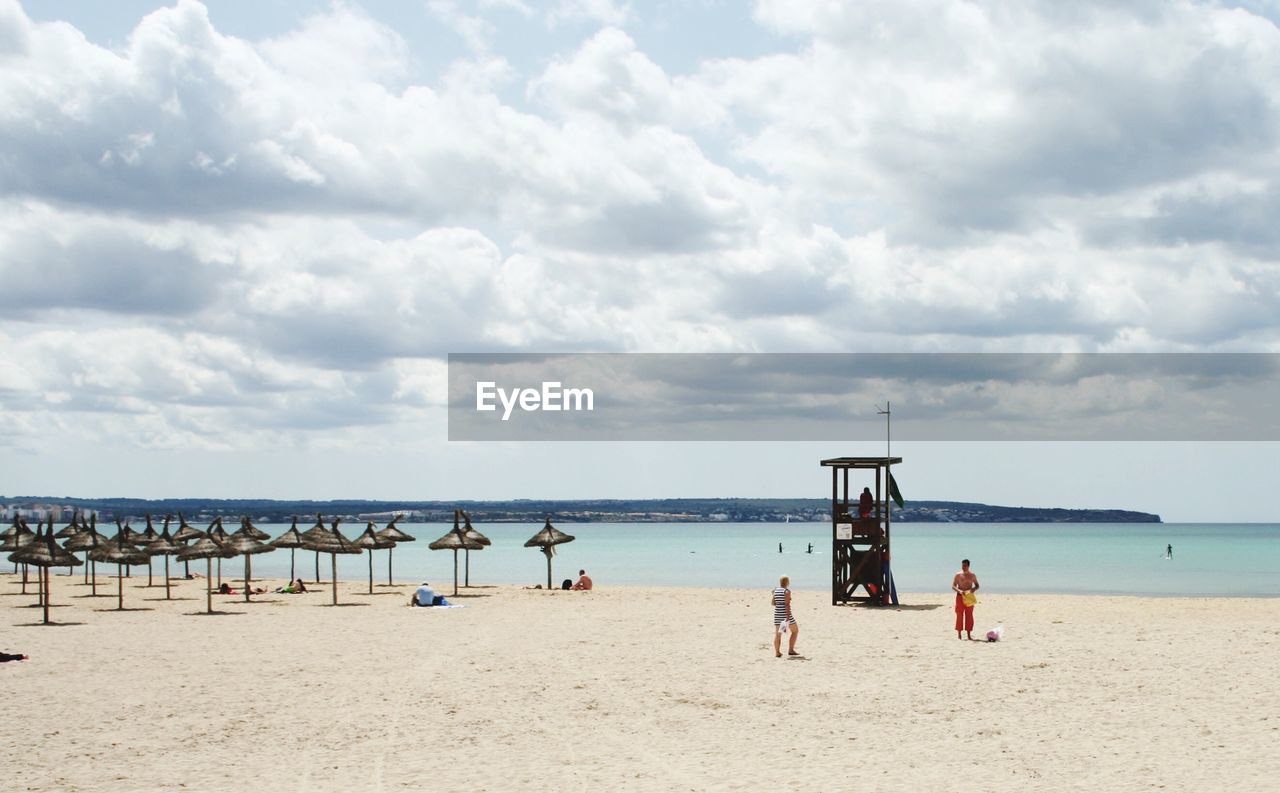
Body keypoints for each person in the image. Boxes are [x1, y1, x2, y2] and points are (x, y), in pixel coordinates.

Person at [952, 559, 980, 640]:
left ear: (968, 566)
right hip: (960, 596)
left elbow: (977, 585)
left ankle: (968, 635)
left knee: (969, 615)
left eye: (965, 565)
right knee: (959, 615)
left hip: (969, 597)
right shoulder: (958, 574)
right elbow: (953, 586)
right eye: (962, 565)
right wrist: (960, 591)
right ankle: (959, 634)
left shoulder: (972, 575)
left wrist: (973, 589)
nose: (963, 567)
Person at [772, 575, 799, 657]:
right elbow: (787, 604)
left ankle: (777, 652)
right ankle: (791, 650)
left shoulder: (775, 590)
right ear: (787, 582)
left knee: (778, 634)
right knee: (795, 631)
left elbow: (773, 602)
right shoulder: (786, 591)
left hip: (777, 614)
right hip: (785, 615)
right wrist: (788, 616)